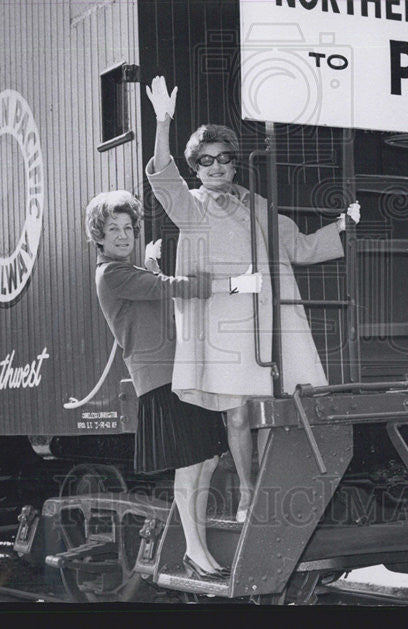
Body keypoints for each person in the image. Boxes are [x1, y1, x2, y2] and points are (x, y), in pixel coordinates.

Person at [144, 76, 360, 522]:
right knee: (239, 417)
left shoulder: (260, 205)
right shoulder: (191, 206)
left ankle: (264, 493)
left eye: (224, 158)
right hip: (225, 330)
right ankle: (247, 493)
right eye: (206, 161)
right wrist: (163, 120)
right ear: (196, 168)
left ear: (234, 163)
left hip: (267, 326)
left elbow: (298, 247)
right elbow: (162, 175)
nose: (217, 167)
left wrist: (342, 226)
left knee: (270, 414)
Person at [85, 190, 228, 579]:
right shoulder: (112, 274)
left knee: (208, 458)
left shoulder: (130, 272)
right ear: (98, 235)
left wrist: (149, 259)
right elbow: (165, 287)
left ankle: (197, 549)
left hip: (180, 373)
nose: (122, 235)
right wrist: (228, 284)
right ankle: (195, 551)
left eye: (128, 228)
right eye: (112, 228)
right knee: (191, 463)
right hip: (161, 379)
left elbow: (150, 287)